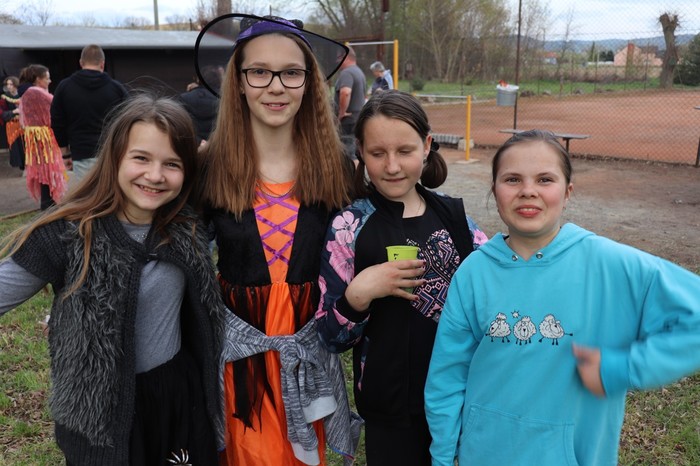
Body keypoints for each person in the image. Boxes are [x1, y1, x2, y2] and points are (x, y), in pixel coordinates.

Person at [424, 129, 700, 466]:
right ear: (494, 190)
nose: (528, 191)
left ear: (567, 192)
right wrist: (442, 455)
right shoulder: (473, 273)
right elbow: (447, 375)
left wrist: (623, 369)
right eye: (512, 179)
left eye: (545, 179)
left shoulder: (611, 265)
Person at [0, 93, 227, 465]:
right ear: (114, 157)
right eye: (141, 158)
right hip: (101, 421)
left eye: (171, 163)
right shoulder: (68, 236)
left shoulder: (186, 225)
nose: (155, 175)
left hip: (177, 403)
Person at [193, 13, 358, 466]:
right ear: (239, 83)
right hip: (242, 358)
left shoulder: (336, 168)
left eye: (290, 73)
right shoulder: (210, 168)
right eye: (260, 72)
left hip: (308, 352)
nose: (276, 86)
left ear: (308, 82)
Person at [315, 90, 487, 466]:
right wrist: (358, 296)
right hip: (389, 410)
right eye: (378, 153)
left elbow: (493, 298)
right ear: (360, 152)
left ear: (426, 146)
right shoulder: (349, 227)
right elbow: (329, 336)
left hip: (459, 399)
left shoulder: (457, 220)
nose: (392, 166)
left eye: (405, 151)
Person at [50, 44, 128, 182]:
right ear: (102, 64)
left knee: (88, 193)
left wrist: (65, 153)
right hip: (111, 152)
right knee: (111, 192)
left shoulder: (64, 87)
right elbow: (129, 120)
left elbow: (57, 122)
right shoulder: (116, 88)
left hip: (81, 152)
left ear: (81, 63)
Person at [18, 64, 67, 210]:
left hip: (35, 138)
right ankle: (48, 203)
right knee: (47, 168)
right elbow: (56, 107)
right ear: (38, 79)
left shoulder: (28, 92)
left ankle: (48, 202)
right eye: (47, 78)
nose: (50, 81)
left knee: (43, 169)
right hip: (43, 138)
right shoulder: (36, 93)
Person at [334, 46, 366, 161]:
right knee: (355, 152)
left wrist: (342, 113)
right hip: (357, 118)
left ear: (345, 57)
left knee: (347, 155)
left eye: (338, 58)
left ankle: (350, 172)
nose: (336, 61)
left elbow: (345, 92)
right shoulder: (359, 72)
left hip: (347, 121)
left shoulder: (346, 73)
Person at [179, 65, 222, 145]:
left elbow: (181, 125)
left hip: (194, 145)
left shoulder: (185, 98)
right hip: (219, 144)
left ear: (199, 80)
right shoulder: (224, 98)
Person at [1, 75, 23, 171]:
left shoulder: (22, 95)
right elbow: (2, 113)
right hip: (12, 125)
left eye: (11, 84)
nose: (9, 86)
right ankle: (21, 166)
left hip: (24, 124)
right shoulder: (4, 97)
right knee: (16, 146)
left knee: (25, 145)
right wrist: (13, 112)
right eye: (7, 84)